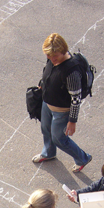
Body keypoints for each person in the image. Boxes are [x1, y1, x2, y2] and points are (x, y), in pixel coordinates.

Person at [33, 33, 92, 173]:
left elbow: (76, 99)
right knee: (45, 130)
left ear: (64, 51)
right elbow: (48, 74)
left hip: (62, 111)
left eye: (55, 56)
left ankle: (82, 158)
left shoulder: (71, 71)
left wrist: (72, 121)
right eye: (48, 56)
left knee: (59, 138)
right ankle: (48, 153)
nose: (52, 59)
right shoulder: (52, 59)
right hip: (47, 104)